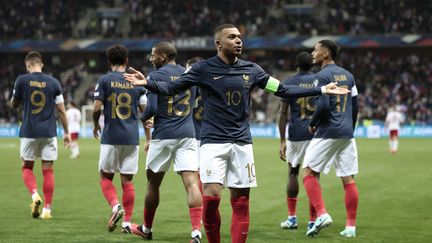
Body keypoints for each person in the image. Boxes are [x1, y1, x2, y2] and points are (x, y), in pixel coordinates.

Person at [124, 24, 349, 243]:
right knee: (211, 199)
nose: (238, 40)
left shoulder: (252, 70)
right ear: (218, 43)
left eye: (239, 36)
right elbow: (173, 88)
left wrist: (321, 89)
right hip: (213, 143)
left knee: (241, 202)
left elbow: (283, 89)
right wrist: (148, 84)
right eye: (232, 37)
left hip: (242, 143)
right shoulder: (202, 69)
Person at [131, 42, 203, 243]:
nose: (151, 58)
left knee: (153, 184)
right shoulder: (190, 75)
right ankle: (196, 232)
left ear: (163, 57)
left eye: (153, 55)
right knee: (191, 182)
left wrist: (142, 117)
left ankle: (147, 228)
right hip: (188, 134)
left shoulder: (155, 76)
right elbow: (194, 102)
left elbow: (151, 108)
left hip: (163, 135)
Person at [302, 39, 359, 238]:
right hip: (346, 132)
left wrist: (313, 122)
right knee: (348, 179)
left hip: (328, 131)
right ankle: (350, 227)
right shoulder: (349, 76)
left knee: (308, 172)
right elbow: (355, 106)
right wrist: (349, 128)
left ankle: (322, 214)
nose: (312, 53)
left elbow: (323, 105)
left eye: (315, 50)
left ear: (325, 53)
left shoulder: (322, 76)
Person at [92, 44, 147, 233]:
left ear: (109, 62)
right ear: (127, 61)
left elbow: (96, 108)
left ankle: (116, 207)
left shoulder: (105, 80)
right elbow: (145, 114)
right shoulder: (136, 83)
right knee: (127, 181)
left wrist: (94, 125)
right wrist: (148, 138)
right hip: (131, 137)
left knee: (105, 176)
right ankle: (126, 222)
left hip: (111, 135)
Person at [10, 51, 71, 220]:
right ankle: (47, 210)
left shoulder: (22, 80)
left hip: (29, 131)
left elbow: (14, 105)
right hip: (49, 132)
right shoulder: (53, 82)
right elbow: (62, 111)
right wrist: (66, 133)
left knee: (27, 167)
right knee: (48, 171)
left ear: (27, 65)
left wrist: (18, 96)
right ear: (41, 64)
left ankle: (35, 195)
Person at [278, 52, 317, 231]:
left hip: (295, 134)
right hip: (315, 134)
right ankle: (312, 220)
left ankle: (292, 218)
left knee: (293, 172)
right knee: (313, 176)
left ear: (296, 65)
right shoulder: (319, 79)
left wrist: (282, 140)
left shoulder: (289, 82)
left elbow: (283, 113)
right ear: (312, 64)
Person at [187, 56, 205, 194]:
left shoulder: (189, 86)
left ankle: (201, 212)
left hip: (194, 134)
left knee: (195, 174)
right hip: (213, 135)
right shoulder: (213, 84)